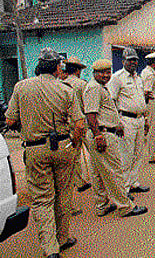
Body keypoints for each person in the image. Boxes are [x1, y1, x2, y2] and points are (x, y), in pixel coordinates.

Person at [5, 48, 85, 258]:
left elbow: (10, 120)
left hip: (35, 149)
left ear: (38, 67)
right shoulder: (66, 89)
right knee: (63, 195)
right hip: (63, 147)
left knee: (42, 199)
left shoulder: (21, 87)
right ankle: (63, 238)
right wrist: (75, 145)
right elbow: (79, 124)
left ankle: (51, 250)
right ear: (58, 68)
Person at [83, 59, 148, 217]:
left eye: (107, 72)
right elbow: (91, 114)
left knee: (98, 172)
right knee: (114, 171)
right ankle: (125, 206)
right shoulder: (94, 88)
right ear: (94, 73)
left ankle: (102, 205)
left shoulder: (99, 87)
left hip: (103, 132)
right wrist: (98, 135)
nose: (105, 75)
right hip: (103, 134)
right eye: (101, 72)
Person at [107, 47, 150, 195]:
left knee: (138, 153)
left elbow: (141, 100)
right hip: (126, 120)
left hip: (139, 119)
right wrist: (116, 122)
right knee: (125, 156)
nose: (133, 62)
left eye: (135, 60)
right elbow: (111, 101)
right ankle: (123, 189)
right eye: (130, 60)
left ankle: (133, 183)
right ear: (123, 61)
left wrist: (146, 118)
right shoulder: (117, 78)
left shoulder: (138, 78)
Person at [62, 57, 91, 217]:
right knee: (93, 152)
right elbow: (88, 105)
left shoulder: (62, 84)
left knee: (73, 156)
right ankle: (92, 180)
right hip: (82, 122)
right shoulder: (82, 84)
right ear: (78, 70)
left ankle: (79, 181)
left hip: (68, 124)